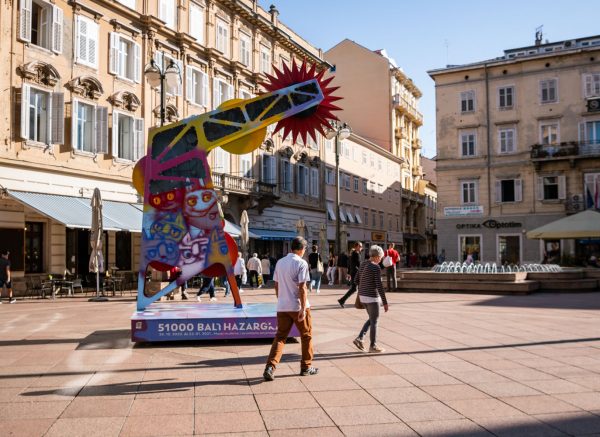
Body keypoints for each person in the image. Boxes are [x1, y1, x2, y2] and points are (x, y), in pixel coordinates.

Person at [263, 236, 318, 381]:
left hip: (283, 306)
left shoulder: (280, 262)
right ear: (302, 249)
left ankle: (270, 367)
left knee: (280, 337)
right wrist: (302, 308)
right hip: (297, 305)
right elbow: (302, 287)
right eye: (305, 249)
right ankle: (306, 367)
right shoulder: (301, 263)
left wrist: (281, 299)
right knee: (306, 336)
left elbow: (276, 285)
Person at [353, 245, 388, 353]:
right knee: (375, 321)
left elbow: (356, 280)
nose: (380, 260)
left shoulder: (363, 264)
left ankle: (360, 338)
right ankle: (373, 346)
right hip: (372, 297)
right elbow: (379, 286)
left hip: (362, 296)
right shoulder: (375, 267)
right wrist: (385, 302)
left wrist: (364, 285)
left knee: (372, 319)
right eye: (380, 257)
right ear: (377, 256)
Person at [337, 242, 363, 308]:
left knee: (355, 288)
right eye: (360, 246)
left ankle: (342, 300)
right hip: (356, 273)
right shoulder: (356, 254)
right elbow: (358, 265)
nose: (361, 248)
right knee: (356, 288)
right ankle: (360, 303)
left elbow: (350, 264)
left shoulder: (353, 254)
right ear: (356, 247)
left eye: (361, 246)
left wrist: (349, 272)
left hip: (354, 272)